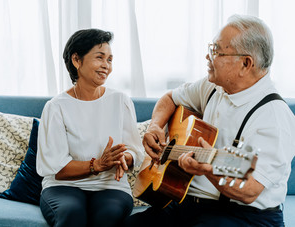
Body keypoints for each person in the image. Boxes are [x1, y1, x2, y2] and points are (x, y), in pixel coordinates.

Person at [123, 14, 295, 227]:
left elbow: (250, 190)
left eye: (216, 51)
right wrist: (156, 126)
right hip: (189, 204)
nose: (207, 56)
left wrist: (208, 170)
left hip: (246, 215)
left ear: (245, 63)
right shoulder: (214, 86)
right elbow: (170, 98)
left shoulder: (273, 117)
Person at [36, 28, 144, 227]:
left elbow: (135, 151)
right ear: (77, 60)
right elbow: (57, 169)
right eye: (100, 57)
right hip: (63, 187)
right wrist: (97, 165)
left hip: (110, 186)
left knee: (107, 216)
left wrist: (124, 157)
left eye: (110, 60)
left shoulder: (120, 101)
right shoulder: (56, 107)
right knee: (71, 215)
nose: (106, 66)